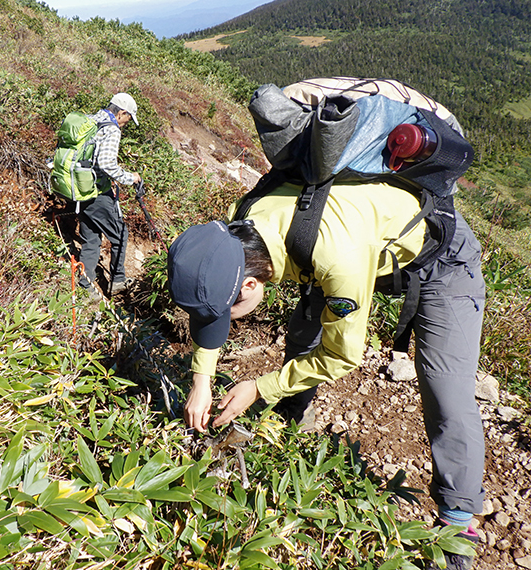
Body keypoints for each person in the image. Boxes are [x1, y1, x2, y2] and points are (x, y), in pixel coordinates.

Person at [167, 180, 485, 567]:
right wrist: (201, 380)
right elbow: (210, 302)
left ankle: (456, 528)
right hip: (350, 244)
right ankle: (291, 417)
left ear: (250, 284)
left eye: (225, 314)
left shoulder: (338, 259)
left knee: (445, 391)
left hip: (439, 259)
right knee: (302, 334)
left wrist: (261, 387)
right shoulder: (240, 225)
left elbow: (342, 355)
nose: (223, 322)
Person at [78, 93, 142, 296]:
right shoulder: (112, 129)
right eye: (129, 118)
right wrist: (129, 177)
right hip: (96, 190)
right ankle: (117, 281)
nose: (127, 123)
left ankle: (85, 286)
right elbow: (106, 164)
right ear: (122, 112)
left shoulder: (91, 119)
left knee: (91, 239)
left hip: (79, 187)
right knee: (121, 235)